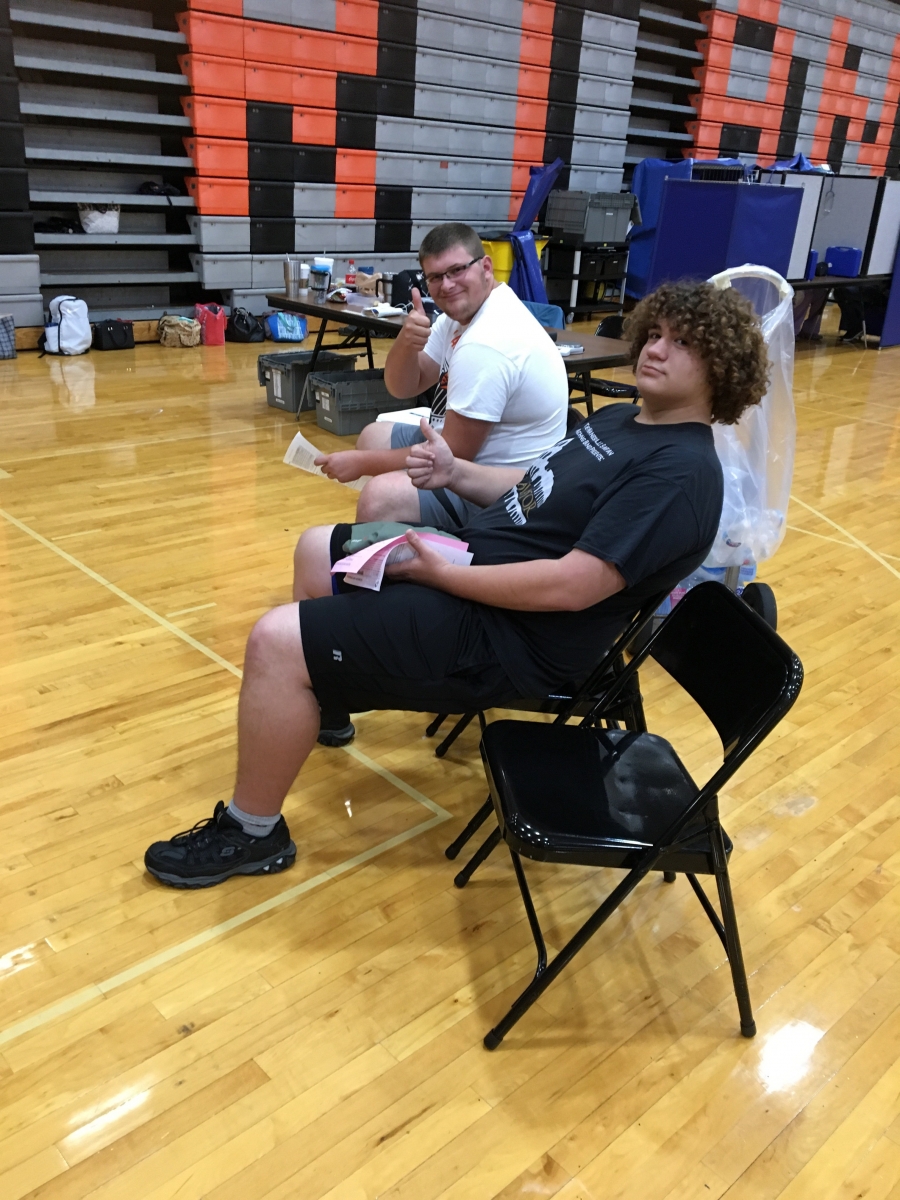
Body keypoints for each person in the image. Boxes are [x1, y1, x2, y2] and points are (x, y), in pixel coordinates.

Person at [144, 280, 769, 890]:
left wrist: (445, 574)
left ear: (722, 369)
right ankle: (325, 698)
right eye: (654, 334)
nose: (656, 349)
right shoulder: (622, 420)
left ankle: (253, 833)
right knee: (315, 552)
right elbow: (533, 487)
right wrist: (454, 472)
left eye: (683, 343)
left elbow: (572, 587)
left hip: (509, 636)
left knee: (275, 641)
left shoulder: (679, 475)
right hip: (471, 566)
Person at [309, 222, 569, 531]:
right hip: (466, 456)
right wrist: (406, 342)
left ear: (485, 266)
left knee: (378, 497)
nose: (446, 285)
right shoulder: (461, 317)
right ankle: (402, 531)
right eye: (435, 277)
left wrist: (360, 465)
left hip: (502, 494)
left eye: (457, 270)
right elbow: (403, 386)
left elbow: (456, 453)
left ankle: (399, 555)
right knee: (373, 436)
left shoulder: (487, 342)